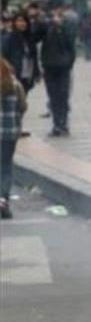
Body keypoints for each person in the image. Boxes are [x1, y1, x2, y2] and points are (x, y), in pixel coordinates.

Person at [38, 0, 76, 137]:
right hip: (49, 65)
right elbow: (36, 36)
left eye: (58, 9)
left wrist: (60, 27)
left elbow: (70, 44)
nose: (55, 12)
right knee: (52, 96)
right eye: (53, 9)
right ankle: (56, 124)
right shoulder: (46, 25)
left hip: (63, 66)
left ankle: (64, 123)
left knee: (63, 95)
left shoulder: (68, 24)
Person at [1, 59, 27, 219]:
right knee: (5, 167)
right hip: (9, 133)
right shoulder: (15, 85)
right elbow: (23, 106)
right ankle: (3, 199)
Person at [2, 13, 40, 94]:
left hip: (28, 74)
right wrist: (9, 67)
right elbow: (3, 56)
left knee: (23, 99)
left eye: (24, 21)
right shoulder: (9, 38)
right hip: (14, 74)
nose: (22, 23)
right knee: (15, 100)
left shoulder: (30, 38)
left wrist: (37, 73)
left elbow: (34, 57)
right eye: (19, 21)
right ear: (14, 23)